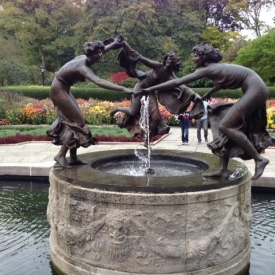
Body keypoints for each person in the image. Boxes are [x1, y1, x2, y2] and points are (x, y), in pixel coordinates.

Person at [136, 43, 272, 180]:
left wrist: (150, 89)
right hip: (255, 90)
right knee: (221, 124)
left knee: (226, 126)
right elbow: (221, 84)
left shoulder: (207, 69)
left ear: (204, 58)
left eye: (196, 56)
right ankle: (223, 170)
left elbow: (177, 82)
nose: (193, 59)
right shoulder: (215, 69)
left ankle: (259, 159)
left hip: (256, 91)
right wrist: (208, 93)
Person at [47, 35, 134, 168]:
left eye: (100, 52)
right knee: (78, 122)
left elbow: (103, 49)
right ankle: (60, 155)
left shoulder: (89, 57)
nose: (100, 55)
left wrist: (115, 43)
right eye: (97, 53)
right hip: (58, 90)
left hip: (64, 88)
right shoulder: (82, 67)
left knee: (76, 120)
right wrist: (123, 88)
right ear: (90, 55)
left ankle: (74, 157)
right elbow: (99, 81)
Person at [111, 40, 204, 141]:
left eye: (171, 61)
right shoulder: (158, 66)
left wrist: (195, 95)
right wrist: (126, 45)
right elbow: (140, 57)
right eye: (168, 59)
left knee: (156, 117)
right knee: (133, 112)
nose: (169, 62)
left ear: (174, 64)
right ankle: (117, 109)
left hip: (150, 92)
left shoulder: (171, 77)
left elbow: (183, 86)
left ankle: (148, 139)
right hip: (140, 88)